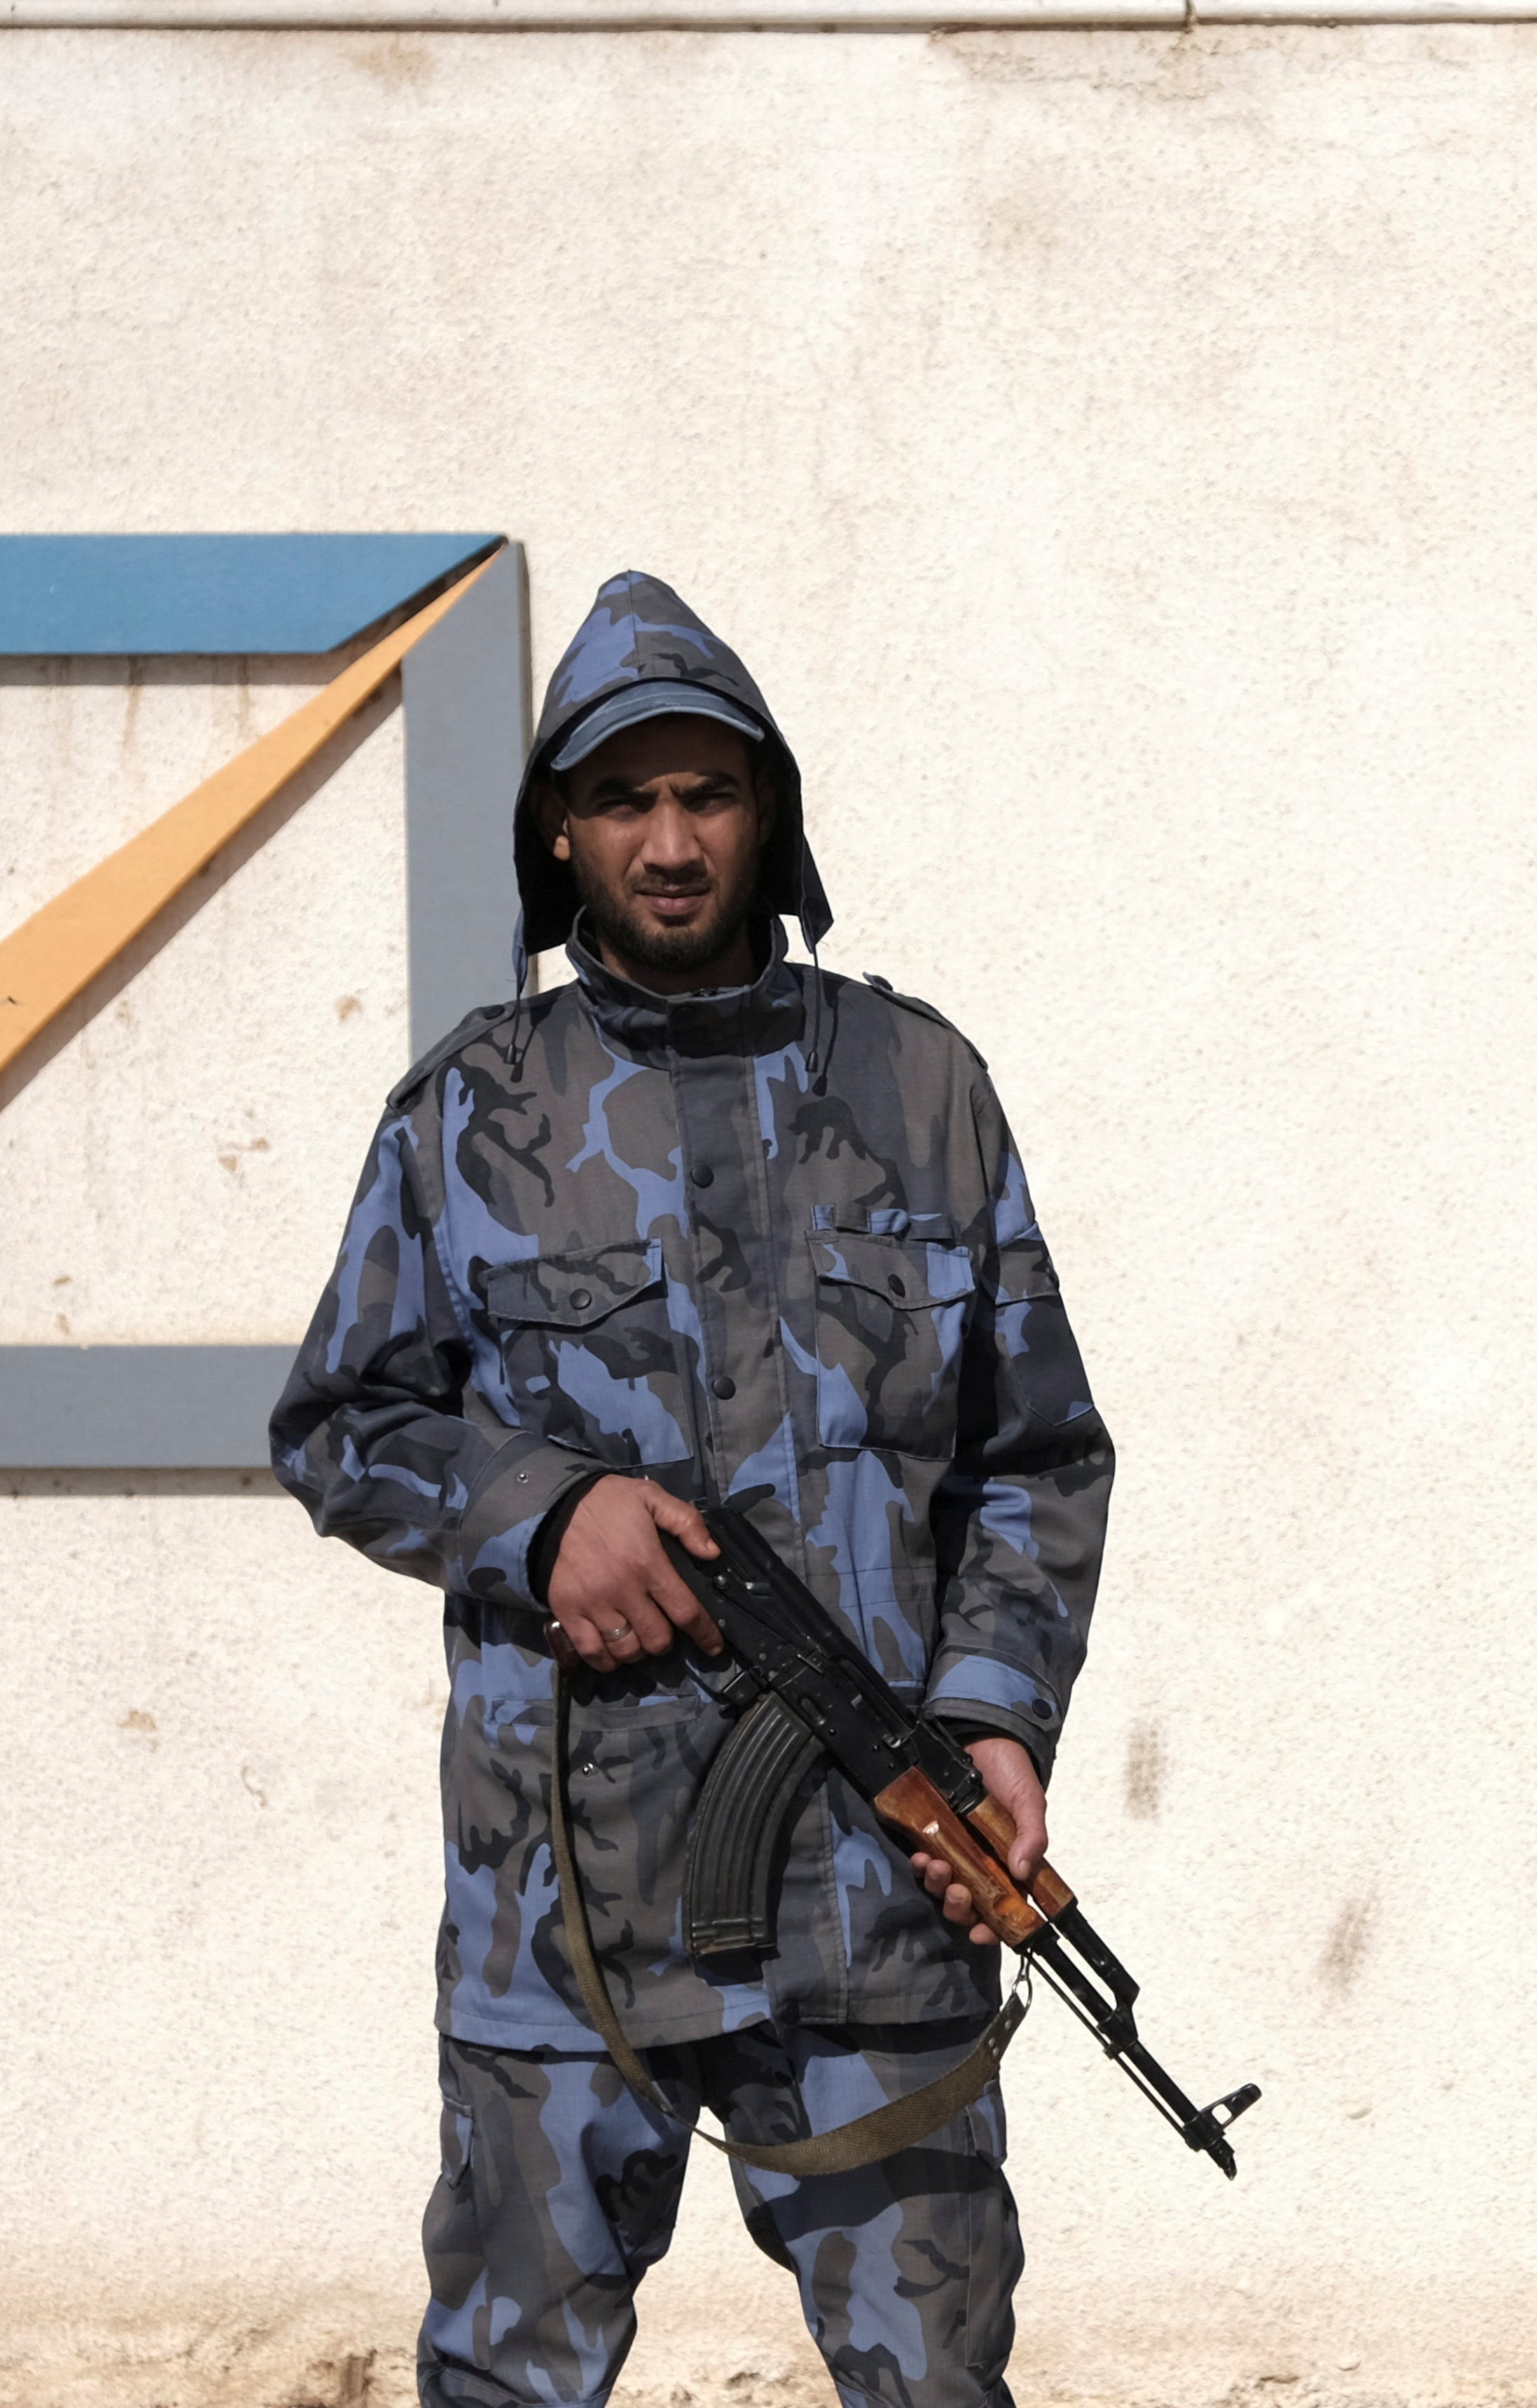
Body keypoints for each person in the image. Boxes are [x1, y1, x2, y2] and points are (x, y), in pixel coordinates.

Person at [269, 571, 1113, 2408]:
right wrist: (535, 1514)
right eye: (621, 801)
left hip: (882, 1895)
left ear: (769, 816)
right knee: (512, 2377)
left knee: (937, 2384)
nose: (666, 844)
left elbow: (1031, 1457)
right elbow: (340, 1422)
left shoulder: (919, 1087)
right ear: (558, 833)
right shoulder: (468, 1113)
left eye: (705, 796)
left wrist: (991, 1711)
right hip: (562, 1918)